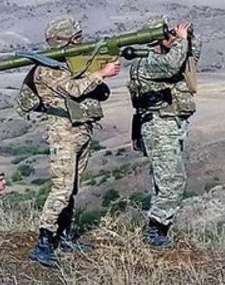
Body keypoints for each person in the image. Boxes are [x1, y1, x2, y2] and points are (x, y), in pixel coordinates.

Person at [15, 15, 121, 267]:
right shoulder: (46, 69)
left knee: (72, 187)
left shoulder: (67, 64)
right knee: (61, 188)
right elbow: (73, 90)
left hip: (80, 129)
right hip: (62, 131)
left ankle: (64, 235)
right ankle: (43, 241)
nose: (80, 42)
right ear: (65, 40)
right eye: (76, 38)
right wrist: (101, 74)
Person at [127, 14, 201, 248]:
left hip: (172, 124)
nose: (172, 37)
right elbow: (171, 65)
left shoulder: (167, 57)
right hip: (158, 125)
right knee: (172, 180)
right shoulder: (146, 62)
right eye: (167, 34)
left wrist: (189, 37)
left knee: (166, 180)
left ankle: (157, 230)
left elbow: (191, 58)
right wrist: (179, 42)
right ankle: (155, 231)